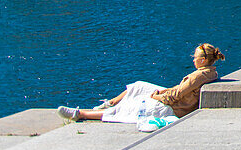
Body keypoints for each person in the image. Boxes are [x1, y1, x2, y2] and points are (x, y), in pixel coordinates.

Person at [57, 43, 225, 123]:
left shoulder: (198, 76)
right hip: (176, 101)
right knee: (138, 86)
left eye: (195, 57)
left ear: (203, 60)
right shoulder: (208, 72)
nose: (193, 60)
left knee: (131, 105)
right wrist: (161, 93)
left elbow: (175, 96)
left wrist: (157, 96)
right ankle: (109, 103)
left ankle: (81, 114)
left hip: (172, 108)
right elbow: (179, 91)